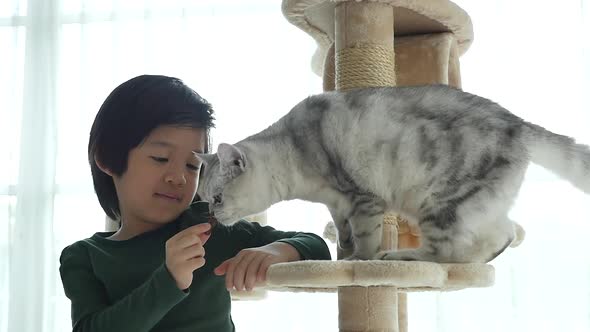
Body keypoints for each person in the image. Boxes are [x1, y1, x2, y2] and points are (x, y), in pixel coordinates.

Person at [59, 75, 332, 331]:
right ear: (107, 158)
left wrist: (276, 251)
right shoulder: (84, 257)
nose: (178, 178)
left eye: (192, 165)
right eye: (160, 159)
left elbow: (317, 248)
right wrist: (169, 281)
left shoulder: (209, 226)